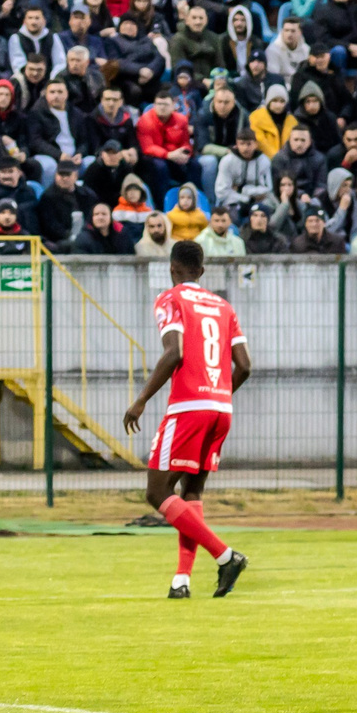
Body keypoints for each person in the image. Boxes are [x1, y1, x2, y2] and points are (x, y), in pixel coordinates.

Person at [119, 241, 251, 599]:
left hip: (189, 408)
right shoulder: (224, 306)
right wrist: (218, 395)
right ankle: (182, 580)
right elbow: (245, 366)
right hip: (221, 408)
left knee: (157, 491)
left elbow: (174, 352)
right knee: (191, 492)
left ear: (172, 268)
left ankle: (226, 556)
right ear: (202, 271)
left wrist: (141, 399)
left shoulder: (171, 298)